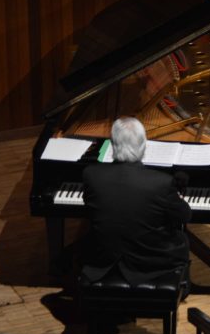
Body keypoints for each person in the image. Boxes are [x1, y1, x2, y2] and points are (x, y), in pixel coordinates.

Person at [80, 117, 191, 289]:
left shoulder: (91, 175)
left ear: (113, 144)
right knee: (181, 238)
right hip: (149, 262)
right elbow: (184, 215)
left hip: (103, 258)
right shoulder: (161, 182)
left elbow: (91, 209)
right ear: (144, 144)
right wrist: (178, 198)